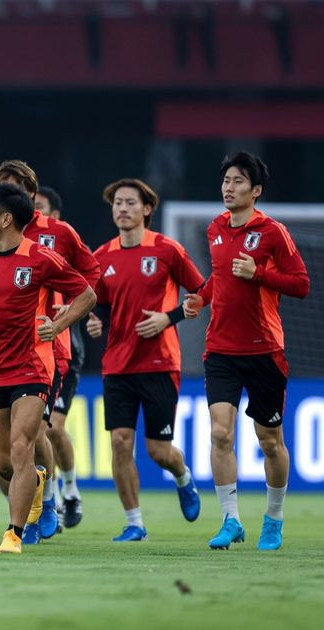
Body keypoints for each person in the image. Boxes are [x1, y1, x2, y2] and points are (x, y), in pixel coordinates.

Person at [0, 160, 100, 542]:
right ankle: (39, 487)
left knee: (25, 443)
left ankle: (15, 531)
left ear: (7, 217)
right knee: (2, 463)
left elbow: (88, 291)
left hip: (34, 364)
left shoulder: (44, 252)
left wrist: (59, 324)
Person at [183, 152, 309, 551]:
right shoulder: (215, 228)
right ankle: (231, 519)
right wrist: (200, 299)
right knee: (220, 432)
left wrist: (259, 274)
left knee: (269, 440)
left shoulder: (272, 232)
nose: (228, 187)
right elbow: (219, 279)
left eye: (238, 181)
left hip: (264, 350)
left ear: (255, 191)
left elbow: (300, 283)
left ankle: (273, 519)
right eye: (225, 180)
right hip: (220, 348)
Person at [86, 178, 203, 542]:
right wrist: (96, 321)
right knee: (120, 441)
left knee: (158, 451)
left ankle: (183, 477)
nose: (122, 209)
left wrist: (169, 318)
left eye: (130, 203)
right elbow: (101, 303)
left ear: (147, 209)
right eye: (117, 203)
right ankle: (135, 523)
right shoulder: (101, 256)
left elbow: (201, 292)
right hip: (117, 364)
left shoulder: (168, 250)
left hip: (159, 362)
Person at [36, 184, 86, 527]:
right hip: (31, 349)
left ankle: (67, 491)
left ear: (54, 215)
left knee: (52, 427)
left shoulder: (60, 243)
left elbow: (90, 281)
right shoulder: (11, 245)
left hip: (65, 347)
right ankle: (54, 495)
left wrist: (86, 312)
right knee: (39, 430)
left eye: (39, 206)